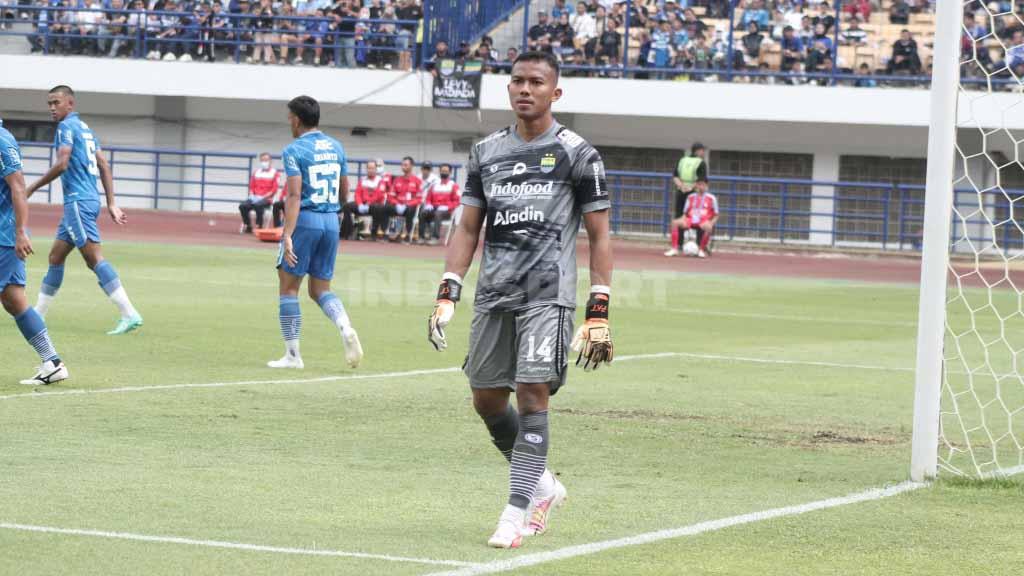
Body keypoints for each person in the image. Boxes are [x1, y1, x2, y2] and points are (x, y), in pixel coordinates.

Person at [427, 51, 614, 549]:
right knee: (487, 400)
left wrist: (599, 308)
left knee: (533, 393)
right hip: (494, 293)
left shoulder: (579, 154)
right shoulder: (486, 152)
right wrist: (450, 288)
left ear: (555, 93)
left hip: (546, 294)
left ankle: (516, 511)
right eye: (516, 81)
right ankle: (544, 484)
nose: (524, 89)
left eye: (536, 82)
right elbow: (468, 225)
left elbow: (599, 235)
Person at [25, 86, 143, 335]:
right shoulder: (86, 129)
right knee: (56, 257)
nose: (52, 108)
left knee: (94, 258)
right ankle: (38, 314)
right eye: (49, 103)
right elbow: (104, 164)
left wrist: (32, 187)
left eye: (56, 102)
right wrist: (111, 202)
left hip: (78, 202)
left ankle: (128, 312)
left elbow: (62, 163)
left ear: (70, 103)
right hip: (85, 200)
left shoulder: (66, 128)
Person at [269, 95, 362, 370]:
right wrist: (333, 210)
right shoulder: (337, 147)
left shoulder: (293, 150)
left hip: (306, 221)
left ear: (296, 119)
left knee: (288, 289)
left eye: (289, 118)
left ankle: (293, 356)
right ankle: (344, 326)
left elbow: (294, 195)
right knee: (321, 289)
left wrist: (287, 234)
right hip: (331, 221)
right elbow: (346, 191)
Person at [1, 118, 69, 386]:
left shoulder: (2, 141)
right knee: (14, 300)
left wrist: (20, 232)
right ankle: (52, 362)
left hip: (4, 235)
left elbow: (18, 186)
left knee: (13, 299)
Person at [666, 142, 706, 256]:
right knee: (698, 217)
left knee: (679, 217)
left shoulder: (682, 160)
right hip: (695, 194)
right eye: (702, 150)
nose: (703, 153)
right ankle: (699, 247)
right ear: (698, 151)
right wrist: (690, 188)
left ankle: (677, 246)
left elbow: (675, 176)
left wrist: (681, 186)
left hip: (681, 192)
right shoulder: (700, 162)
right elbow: (702, 180)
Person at [669, 174, 718, 258]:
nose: (700, 187)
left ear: (706, 186)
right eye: (699, 184)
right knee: (674, 222)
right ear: (696, 185)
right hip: (690, 219)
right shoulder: (690, 197)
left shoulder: (711, 198)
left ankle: (701, 250)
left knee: (708, 227)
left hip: (703, 221)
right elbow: (685, 213)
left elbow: (716, 215)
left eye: (703, 184)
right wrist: (681, 219)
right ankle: (674, 249)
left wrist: (711, 223)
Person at [341, 159, 388, 240]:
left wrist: (368, 203)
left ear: (376, 169)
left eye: (372, 168)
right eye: (369, 168)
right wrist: (360, 204)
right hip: (361, 204)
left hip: (374, 205)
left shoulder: (380, 180)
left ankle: (373, 234)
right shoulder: (362, 180)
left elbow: (379, 195)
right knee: (346, 206)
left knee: (378, 208)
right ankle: (348, 233)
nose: (370, 170)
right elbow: (357, 193)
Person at [239, 152, 281, 233]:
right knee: (242, 206)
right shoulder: (256, 173)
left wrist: (263, 197)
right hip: (254, 197)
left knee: (258, 205)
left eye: (266, 160)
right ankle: (248, 225)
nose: (264, 162)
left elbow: (274, 190)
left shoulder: (275, 173)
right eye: (262, 160)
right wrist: (252, 195)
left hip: (267, 198)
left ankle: (259, 226)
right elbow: (251, 187)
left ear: (270, 161)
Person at [418, 162, 459, 244]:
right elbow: (428, 198)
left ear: (450, 172)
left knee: (438, 213)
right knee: (423, 212)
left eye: (446, 171)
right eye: (442, 171)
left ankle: (435, 238)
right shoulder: (434, 184)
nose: (444, 173)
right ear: (439, 171)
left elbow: (457, 201)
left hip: (446, 211)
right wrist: (429, 204)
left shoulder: (453, 185)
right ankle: (421, 237)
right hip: (433, 208)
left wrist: (448, 207)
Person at [386, 156, 421, 242]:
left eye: (405, 165)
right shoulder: (397, 180)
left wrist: (408, 204)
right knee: (386, 207)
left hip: (410, 206)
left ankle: (408, 234)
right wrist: (397, 203)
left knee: (410, 210)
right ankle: (390, 233)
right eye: (402, 165)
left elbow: (419, 198)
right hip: (398, 205)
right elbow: (391, 196)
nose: (403, 167)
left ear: (411, 166)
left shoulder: (417, 181)